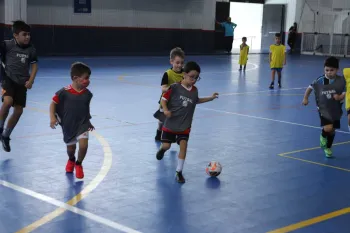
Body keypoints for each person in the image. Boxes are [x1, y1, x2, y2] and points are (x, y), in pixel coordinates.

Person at [155, 61, 219, 183]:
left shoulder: (194, 91)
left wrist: (210, 98)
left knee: (183, 146)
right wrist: (166, 110)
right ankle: (163, 149)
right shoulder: (174, 87)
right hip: (170, 124)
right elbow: (163, 99)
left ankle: (179, 172)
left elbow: (197, 100)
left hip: (185, 126)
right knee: (167, 145)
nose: (194, 80)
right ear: (184, 74)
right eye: (191, 76)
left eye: (196, 78)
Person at [49, 62, 94, 179]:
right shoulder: (64, 92)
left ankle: (79, 164)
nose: (88, 81)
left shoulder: (88, 94)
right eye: (86, 78)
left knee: (84, 145)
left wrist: (88, 121)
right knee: (71, 149)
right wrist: (52, 117)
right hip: (68, 125)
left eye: (89, 78)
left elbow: (85, 109)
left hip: (82, 124)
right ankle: (71, 159)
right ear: (75, 78)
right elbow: (53, 104)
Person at [0, 20, 38, 152]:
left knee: (19, 111)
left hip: (22, 83)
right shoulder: (7, 45)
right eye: (24, 34)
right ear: (16, 35)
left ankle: (5, 135)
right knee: (8, 101)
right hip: (8, 79)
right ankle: (0, 126)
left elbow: (34, 65)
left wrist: (31, 80)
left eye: (29, 34)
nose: (27, 37)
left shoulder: (31, 49)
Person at [302, 57, 345, 158]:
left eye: (331, 70)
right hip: (323, 108)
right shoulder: (320, 80)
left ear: (337, 70)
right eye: (327, 70)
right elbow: (309, 88)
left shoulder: (341, 81)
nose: (329, 72)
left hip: (336, 109)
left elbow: (345, 91)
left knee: (332, 130)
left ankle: (328, 147)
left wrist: (340, 96)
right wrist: (305, 98)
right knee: (328, 128)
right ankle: (323, 135)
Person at [154, 47, 185, 141]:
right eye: (177, 62)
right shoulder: (167, 74)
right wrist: (172, 87)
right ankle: (159, 132)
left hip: (177, 102)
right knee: (161, 121)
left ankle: (172, 136)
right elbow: (163, 88)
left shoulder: (184, 74)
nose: (179, 65)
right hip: (166, 101)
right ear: (171, 61)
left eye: (182, 63)